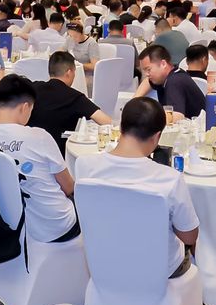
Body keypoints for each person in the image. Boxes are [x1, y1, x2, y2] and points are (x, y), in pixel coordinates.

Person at [74, 97, 198, 277]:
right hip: (158, 271)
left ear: (120, 127)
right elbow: (189, 236)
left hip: (103, 262)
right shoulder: (169, 178)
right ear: (157, 137)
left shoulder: (84, 165)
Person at [0, 75, 77, 242]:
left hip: (3, 229)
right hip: (52, 228)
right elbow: (68, 187)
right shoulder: (39, 137)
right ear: (25, 107)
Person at [29, 51, 110, 152]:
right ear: (69, 72)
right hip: (60, 154)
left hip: (30, 150)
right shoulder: (75, 97)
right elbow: (106, 121)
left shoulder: (32, 88)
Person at [133, 43, 206, 121]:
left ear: (163, 64)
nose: (146, 74)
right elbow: (147, 82)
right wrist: (134, 101)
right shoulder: (168, 75)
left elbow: (177, 116)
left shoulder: (175, 81)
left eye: (148, 70)